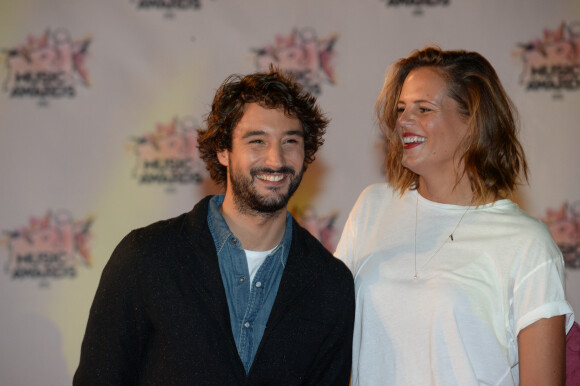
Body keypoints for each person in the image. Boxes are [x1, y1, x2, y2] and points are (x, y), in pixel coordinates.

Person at [74, 68, 355, 385]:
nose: (276, 160)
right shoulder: (146, 258)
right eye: (257, 141)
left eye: (290, 140)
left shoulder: (331, 285)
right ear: (223, 149)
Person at [335, 46, 575, 385]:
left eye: (423, 108)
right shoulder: (372, 207)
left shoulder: (527, 243)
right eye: (401, 108)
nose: (402, 120)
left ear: (473, 122)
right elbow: (325, 329)